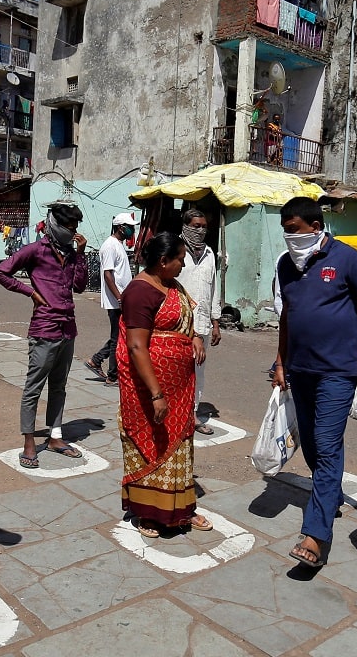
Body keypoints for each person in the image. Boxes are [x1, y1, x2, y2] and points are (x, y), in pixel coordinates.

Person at [273, 197, 357, 568]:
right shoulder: (286, 265)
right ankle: (331, 497)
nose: (288, 236)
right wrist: (280, 362)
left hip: (336, 372)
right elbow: (287, 318)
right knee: (314, 446)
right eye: (284, 229)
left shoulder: (348, 260)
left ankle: (315, 535)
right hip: (299, 370)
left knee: (327, 447)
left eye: (294, 229)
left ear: (316, 227)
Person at [117, 232, 214, 537]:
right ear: (162, 261)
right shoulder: (139, 292)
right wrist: (156, 394)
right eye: (180, 259)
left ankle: (182, 509)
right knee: (152, 447)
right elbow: (135, 346)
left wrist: (195, 337)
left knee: (180, 448)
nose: (184, 265)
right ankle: (149, 513)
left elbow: (186, 318)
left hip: (181, 388)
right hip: (150, 389)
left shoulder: (171, 286)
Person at [0, 204, 88, 469]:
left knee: (59, 386)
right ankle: (29, 442)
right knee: (34, 387)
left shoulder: (70, 251)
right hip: (44, 328)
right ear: (55, 225)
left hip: (68, 328)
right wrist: (30, 292)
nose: (73, 232)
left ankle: (56, 436)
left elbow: (79, 286)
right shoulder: (35, 250)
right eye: (69, 228)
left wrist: (80, 254)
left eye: (75, 228)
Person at [174, 209, 222, 435]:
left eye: (203, 226)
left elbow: (213, 288)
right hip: (177, 323)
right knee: (175, 369)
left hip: (201, 324)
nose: (200, 230)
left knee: (197, 371)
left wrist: (216, 322)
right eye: (195, 226)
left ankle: (192, 414)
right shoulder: (175, 250)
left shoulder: (210, 254)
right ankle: (174, 413)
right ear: (185, 226)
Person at [86, 213, 138, 385]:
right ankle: (112, 375)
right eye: (129, 226)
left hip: (122, 298)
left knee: (120, 335)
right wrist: (119, 297)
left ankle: (97, 360)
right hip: (117, 300)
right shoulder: (109, 246)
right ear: (120, 227)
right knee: (118, 337)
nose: (132, 229)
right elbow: (107, 274)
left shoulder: (118, 245)